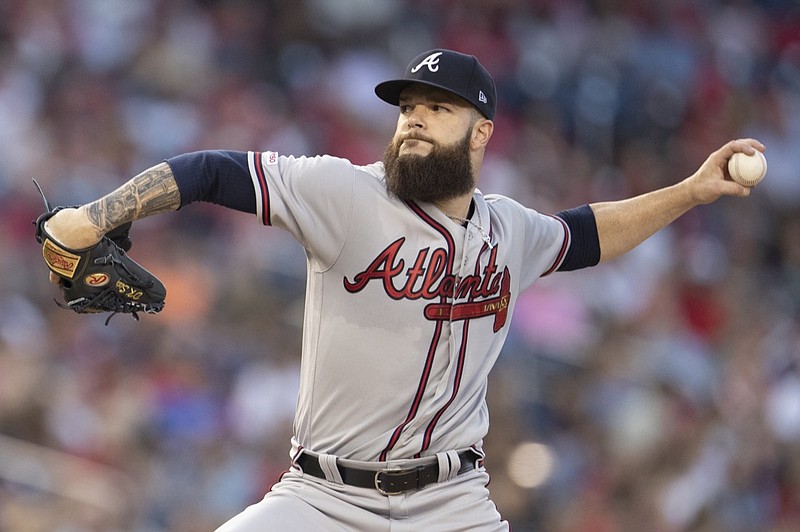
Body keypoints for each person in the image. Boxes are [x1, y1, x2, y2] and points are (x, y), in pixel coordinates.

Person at [42, 49, 762, 531]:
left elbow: (586, 234)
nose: (414, 117)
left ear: (480, 133)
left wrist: (693, 191)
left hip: (453, 502)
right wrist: (92, 217)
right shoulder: (342, 192)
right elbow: (210, 170)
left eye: (437, 108)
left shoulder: (509, 231)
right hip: (322, 497)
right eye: (407, 106)